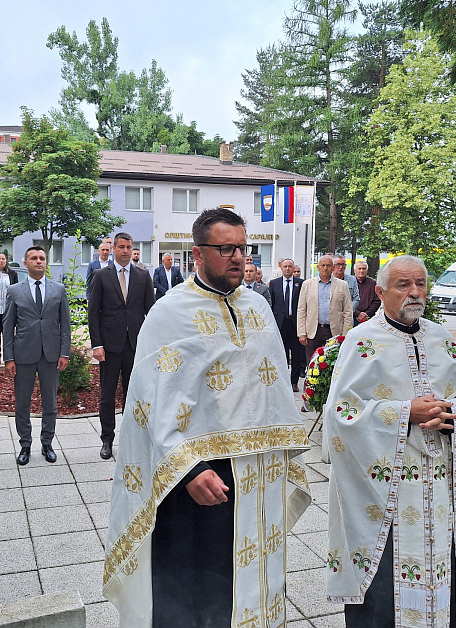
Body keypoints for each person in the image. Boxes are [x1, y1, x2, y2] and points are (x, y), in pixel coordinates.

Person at [103, 208, 312, 628]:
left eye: (242, 248)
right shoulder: (170, 313)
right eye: (225, 248)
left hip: (258, 472)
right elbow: (150, 403)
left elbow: (270, 390)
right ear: (198, 254)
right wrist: (189, 470)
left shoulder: (258, 308)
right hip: (197, 477)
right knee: (195, 588)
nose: (238, 257)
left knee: (252, 578)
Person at [324, 255, 456, 627]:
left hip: (436, 483)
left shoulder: (441, 338)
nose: (415, 292)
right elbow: (341, 416)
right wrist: (404, 413)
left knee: (435, 578)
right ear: (380, 292)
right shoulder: (362, 341)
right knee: (384, 589)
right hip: (385, 488)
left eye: (421, 284)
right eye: (403, 285)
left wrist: (450, 415)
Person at [88, 232, 155, 459]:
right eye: (122, 247)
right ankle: (107, 439)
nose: (126, 251)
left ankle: (130, 439)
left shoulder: (143, 276)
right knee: (107, 395)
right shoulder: (101, 275)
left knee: (132, 394)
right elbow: (93, 313)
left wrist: (152, 342)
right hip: (109, 346)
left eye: (129, 247)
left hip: (135, 346)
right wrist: (96, 344)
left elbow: (151, 312)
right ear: (113, 248)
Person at [3, 246, 71, 464]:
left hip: (51, 355)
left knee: (50, 403)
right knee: (22, 403)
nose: (39, 261)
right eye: (34, 258)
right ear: (26, 263)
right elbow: (7, 326)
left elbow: (65, 325)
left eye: (42, 258)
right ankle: (25, 445)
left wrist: (64, 353)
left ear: (46, 263)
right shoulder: (15, 290)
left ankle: (47, 443)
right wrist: (9, 357)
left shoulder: (58, 290)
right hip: (23, 354)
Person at [297, 255, 353, 363]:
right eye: (322, 265)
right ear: (318, 267)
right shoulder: (307, 284)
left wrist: (345, 334)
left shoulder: (342, 285)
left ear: (333, 268)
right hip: (313, 331)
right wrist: (301, 333)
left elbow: (347, 311)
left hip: (334, 331)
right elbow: (301, 310)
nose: (325, 268)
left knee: (332, 364)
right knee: (312, 364)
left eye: (328, 265)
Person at [269, 258, 305, 391]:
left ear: (293, 268)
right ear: (281, 268)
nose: (288, 269)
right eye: (285, 266)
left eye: (290, 266)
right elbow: (271, 304)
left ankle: (294, 382)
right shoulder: (274, 284)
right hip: (281, 323)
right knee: (281, 354)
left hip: (295, 323)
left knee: (296, 354)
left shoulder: (301, 283)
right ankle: (283, 380)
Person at [353, 260, 381, 325]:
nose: (361, 271)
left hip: (369, 318)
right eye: (359, 269)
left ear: (367, 271)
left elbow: (377, 301)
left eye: (364, 269)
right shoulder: (349, 283)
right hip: (352, 317)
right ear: (354, 270)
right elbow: (346, 301)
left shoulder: (373, 284)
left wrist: (366, 314)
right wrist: (358, 313)